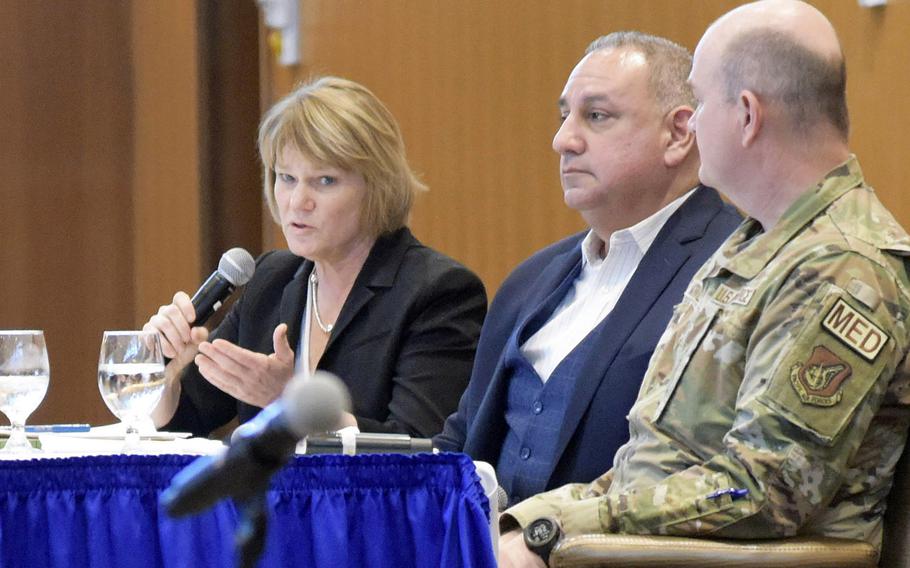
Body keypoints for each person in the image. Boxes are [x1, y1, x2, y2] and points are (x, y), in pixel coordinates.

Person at [498, 1, 910, 566]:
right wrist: (540, 519)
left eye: (698, 103)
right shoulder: (754, 245)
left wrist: (560, 527)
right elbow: (655, 459)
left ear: (746, 115)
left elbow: (765, 490)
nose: (690, 126)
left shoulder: (841, 265)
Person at [433, 32, 741, 505]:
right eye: (564, 117)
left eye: (596, 116)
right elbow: (459, 443)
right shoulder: (530, 281)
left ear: (679, 133)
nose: (562, 141)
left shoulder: (732, 267)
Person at [146, 76, 487, 438]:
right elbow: (188, 417)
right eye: (286, 178)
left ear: (377, 186)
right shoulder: (270, 279)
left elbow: (421, 444)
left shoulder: (438, 292)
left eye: (324, 181)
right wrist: (164, 375)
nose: (297, 202)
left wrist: (291, 403)